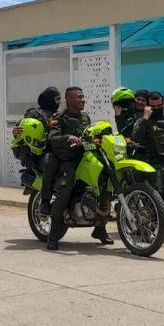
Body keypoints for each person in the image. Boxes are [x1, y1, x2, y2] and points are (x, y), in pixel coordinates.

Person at [46, 87, 110, 251]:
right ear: (68, 99)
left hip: (85, 157)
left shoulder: (85, 117)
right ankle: (53, 235)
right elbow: (52, 138)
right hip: (67, 159)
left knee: (102, 185)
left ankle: (100, 230)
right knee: (65, 190)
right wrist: (68, 137)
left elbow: (90, 135)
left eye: (83, 96)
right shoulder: (59, 117)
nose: (82, 99)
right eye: (78, 97)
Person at [13, 87, 59, 213]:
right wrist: (16, 132)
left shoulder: (58, 115)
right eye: (57, 99)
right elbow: (22, 129)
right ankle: (45, 203)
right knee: (51, 165)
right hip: (38, 153)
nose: (59, 102)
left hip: (55, 149)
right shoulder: (33, 114)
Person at [132, 91, 164, 191]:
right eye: (153, 107)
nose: (157, 109)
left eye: (159, 106)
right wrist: (145, 118)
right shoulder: (142, 120)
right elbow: (136, 138)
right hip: (155, 159)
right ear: (148, 106)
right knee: (160, 188)